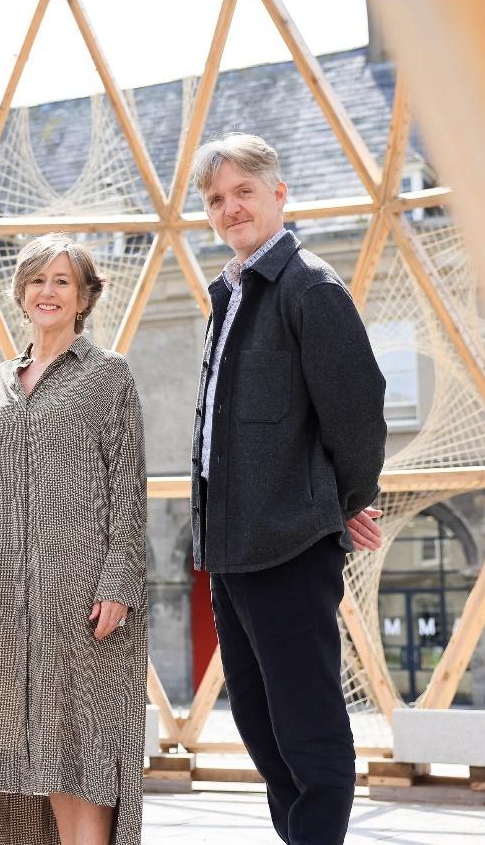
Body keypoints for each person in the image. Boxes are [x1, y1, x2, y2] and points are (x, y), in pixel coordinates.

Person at [188, 133, 387, 845]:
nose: (229, 208)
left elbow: (358, 410)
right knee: (261, 730)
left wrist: (337, 504)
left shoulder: (309, 287)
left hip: (288, 548)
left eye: (244, 191)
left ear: (279, 194)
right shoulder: (230, 296)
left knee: (307, 731)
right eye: (215, 199)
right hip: (231, 552)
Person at [0, 234, 149, 845]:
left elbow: (129, 489)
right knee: (16, 757)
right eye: (37, 279)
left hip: (84, 601)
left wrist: (117, 584)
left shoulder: (109, 377)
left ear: (84, 297)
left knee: (82, 752)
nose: (48, 291)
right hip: (9, 606)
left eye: (63, 281)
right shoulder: (0, 383)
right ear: (20, 292)